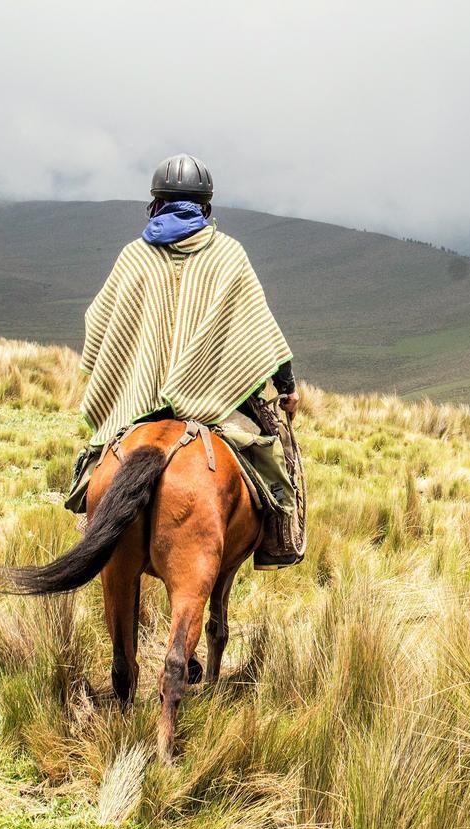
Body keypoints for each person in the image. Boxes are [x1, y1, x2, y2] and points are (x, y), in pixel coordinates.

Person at [64, 153, 305, 567]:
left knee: (97, 453)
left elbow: (100, 323)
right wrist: (288, 390)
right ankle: (280, 541)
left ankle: (88, 509)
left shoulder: (133, 256)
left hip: (138, 400)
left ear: (155, 202)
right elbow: (261, 329)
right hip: (212, 401)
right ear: (205, 206)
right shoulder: (229, 254)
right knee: (277, 451)